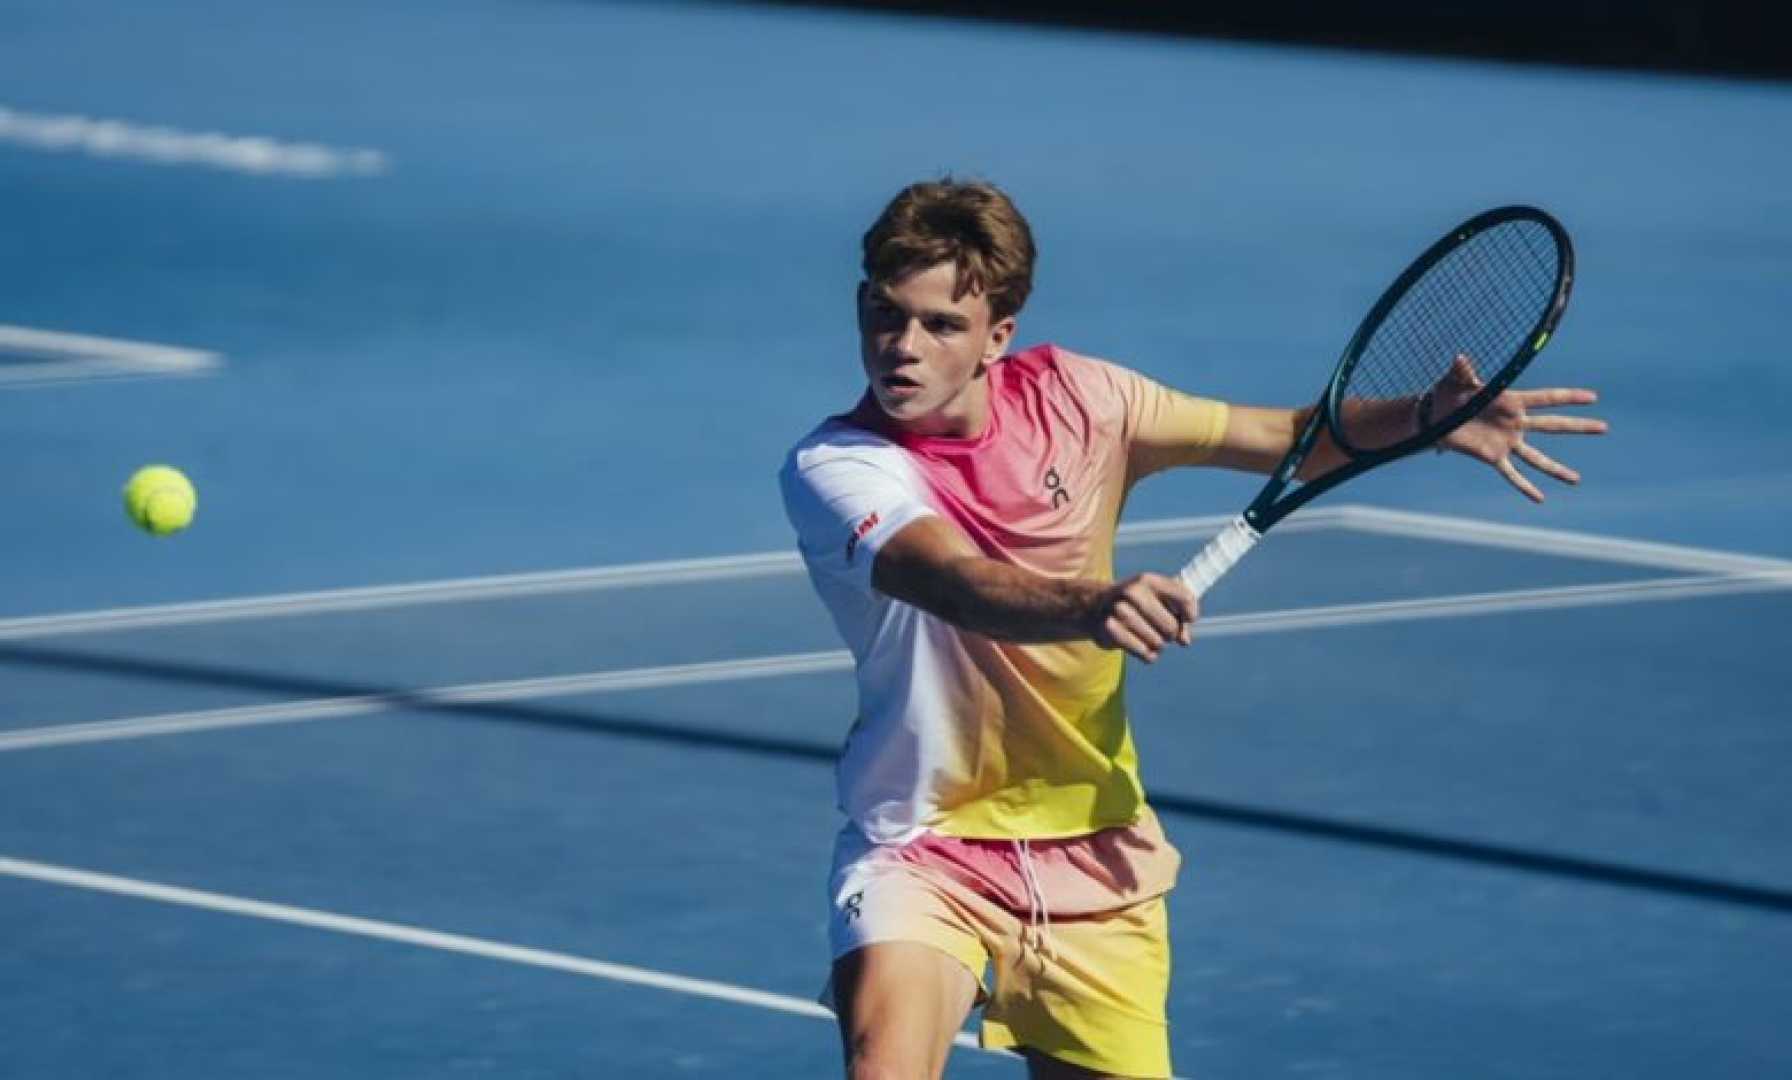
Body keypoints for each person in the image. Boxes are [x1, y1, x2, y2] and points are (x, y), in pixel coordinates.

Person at [778, 179, 1605, 1080]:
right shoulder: (838, 466)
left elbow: (1286, 435)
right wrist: (1092, 606)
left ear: (997, 338)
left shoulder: (1087, 402)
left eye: (940, 324)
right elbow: (953, 582)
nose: (901, 347)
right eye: (885, 315)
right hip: (923, 842)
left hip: (1098, 857)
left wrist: (1424, 420)